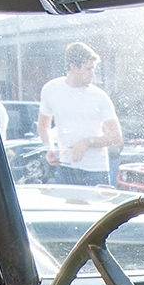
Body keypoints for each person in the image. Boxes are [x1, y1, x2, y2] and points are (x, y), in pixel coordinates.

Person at [37, 41, 122, 186]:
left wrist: (87, 142)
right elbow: (43, 125)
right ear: (73, 67)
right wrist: (49, 148)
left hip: (95, 171)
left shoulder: (99, 96)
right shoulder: (51, 89)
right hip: (65, 168)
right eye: (89, 69)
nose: (93, 74)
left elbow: (116, 137)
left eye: (93, 69)